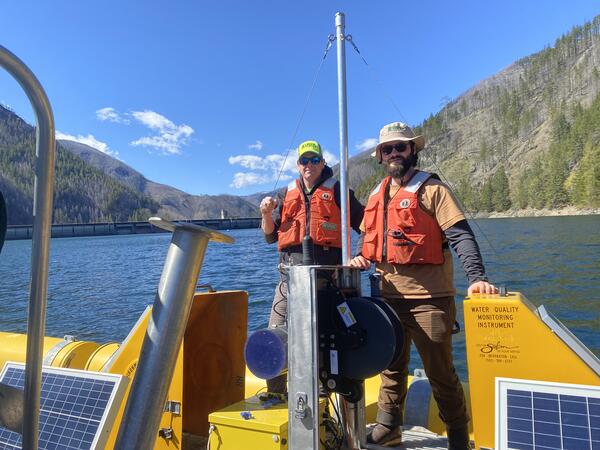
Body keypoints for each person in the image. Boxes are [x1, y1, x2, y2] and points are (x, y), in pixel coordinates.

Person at [350, 122, 497, 449]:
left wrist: (477, 278)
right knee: (391, 369)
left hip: (430, 300)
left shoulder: (433, 189)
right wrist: (361, 256)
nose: (394, 154)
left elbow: (461, 236)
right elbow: (368, 239)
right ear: (380, 156)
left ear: (412, 150)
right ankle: (389, 428)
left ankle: (459, 438)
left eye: (400, 147)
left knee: (441, 374)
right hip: (386, 299)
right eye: (387, 149)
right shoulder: (376, 194)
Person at [260, 140, 364, 393]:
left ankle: (323, 395)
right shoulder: (286, 195)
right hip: (289, 280)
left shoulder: (338, 190)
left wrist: (359, 255)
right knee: (275, 334)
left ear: (323, 163)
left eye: (314, 160)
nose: (309, 165)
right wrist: (265, 214)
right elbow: (270, 236)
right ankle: (275, 393)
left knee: (325, 338)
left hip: (327, 282)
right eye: (304, 161)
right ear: (298, 165)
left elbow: (365, 224)